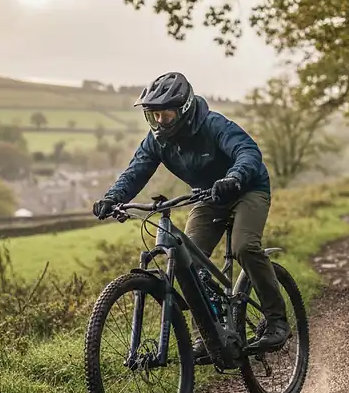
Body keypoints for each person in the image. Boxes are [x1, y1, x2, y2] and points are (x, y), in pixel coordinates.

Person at [92, 71, 290, 364]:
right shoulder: (157, 140)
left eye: (165, 115)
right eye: (153, 115)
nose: (159, 121)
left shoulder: (213, 125)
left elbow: (247, 151)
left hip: (246, 188)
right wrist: (112, 198)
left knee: (244, 247)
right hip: (206, 197)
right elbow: (136, 171)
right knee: (189, 263)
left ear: (183, 110)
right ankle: (207, 337)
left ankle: (276, 320)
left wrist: (234, 178)